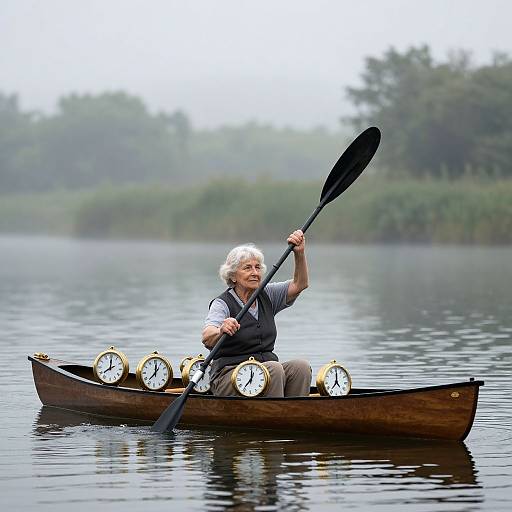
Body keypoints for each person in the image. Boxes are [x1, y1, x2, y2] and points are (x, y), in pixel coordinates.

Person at [202, 230, 311, 397]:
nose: (255, 272)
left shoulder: (268, 294)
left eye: (257, 267)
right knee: (273, 369)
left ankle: (294, 417)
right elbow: (207, 337)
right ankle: (273, 418)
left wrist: (299, 253)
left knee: (300, 367)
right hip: (228, 377)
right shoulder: (222, 303)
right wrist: (221, 330)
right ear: (233, 276)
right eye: (247, 268)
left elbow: (300, 284)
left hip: (264, 372)